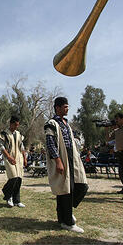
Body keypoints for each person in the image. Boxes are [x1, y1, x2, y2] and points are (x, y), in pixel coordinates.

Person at [44, 97, 88, 233]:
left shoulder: (66, 123)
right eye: (65, 107)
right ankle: (67, 221)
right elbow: (50, 143)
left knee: (81, 186)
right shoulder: (51, 123)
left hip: (71, 158)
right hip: (61, 158)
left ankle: (64, 212)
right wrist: (58, 160)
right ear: (57, 108)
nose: (67, 109)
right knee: (65, 190)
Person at [0, 116, 27, 208]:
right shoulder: (4, 134)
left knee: (19, 178)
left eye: (18, 125)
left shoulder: (18, 134)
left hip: (18, 158)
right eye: (15, 125)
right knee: (13, 177)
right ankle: (8, 195)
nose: (16, 127)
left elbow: (21, 147)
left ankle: (17, 200)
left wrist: (24, 158)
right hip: (9, 157)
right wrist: (9, 157)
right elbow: (1, 147)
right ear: (11, 124)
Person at [108, 113, 123, 200]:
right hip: (120, 153)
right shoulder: (117, 130)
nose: (116, 121)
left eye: (117, 119)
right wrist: (107, 129)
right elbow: (109, 139)